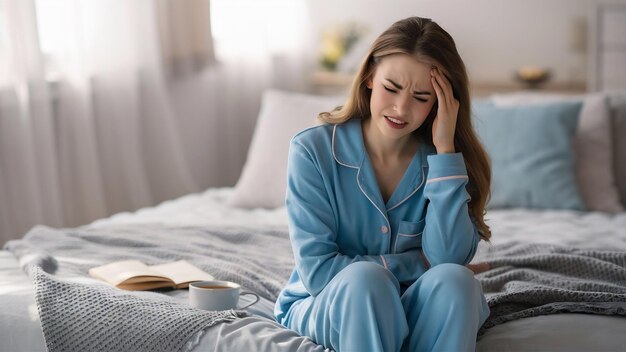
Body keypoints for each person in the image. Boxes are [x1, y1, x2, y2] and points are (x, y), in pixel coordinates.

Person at [274, 16, 492, 352]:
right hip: (329, 303)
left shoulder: (447, 162)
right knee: (366, 281)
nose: (401, 108)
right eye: (392, 88)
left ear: (441, 103)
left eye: (421, 97)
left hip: (414, 305)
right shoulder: (312, 151)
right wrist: (415, 264)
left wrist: (446, 151)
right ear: (370, 77)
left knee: (457, 281)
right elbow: (318, 272)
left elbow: (447, 260)